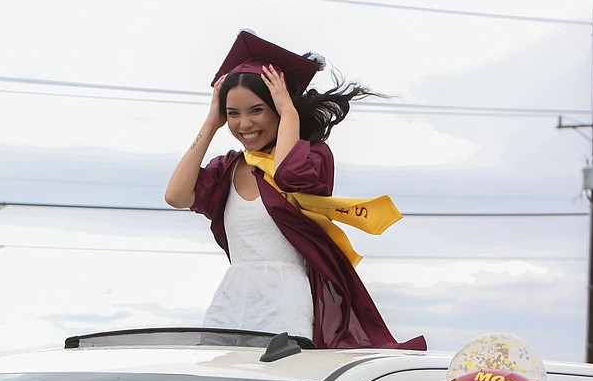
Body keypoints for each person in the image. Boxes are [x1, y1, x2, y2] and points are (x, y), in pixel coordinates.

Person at [164, 30, 427, 351]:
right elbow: (176, 196)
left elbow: (288, 176)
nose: (244, 124)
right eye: (234, 113)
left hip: (287, 301)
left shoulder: (313, 157)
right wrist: (210, 123)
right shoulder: (227, 168)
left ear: (278, 107)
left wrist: (289, 111)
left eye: (257, 110)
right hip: (231, 298)